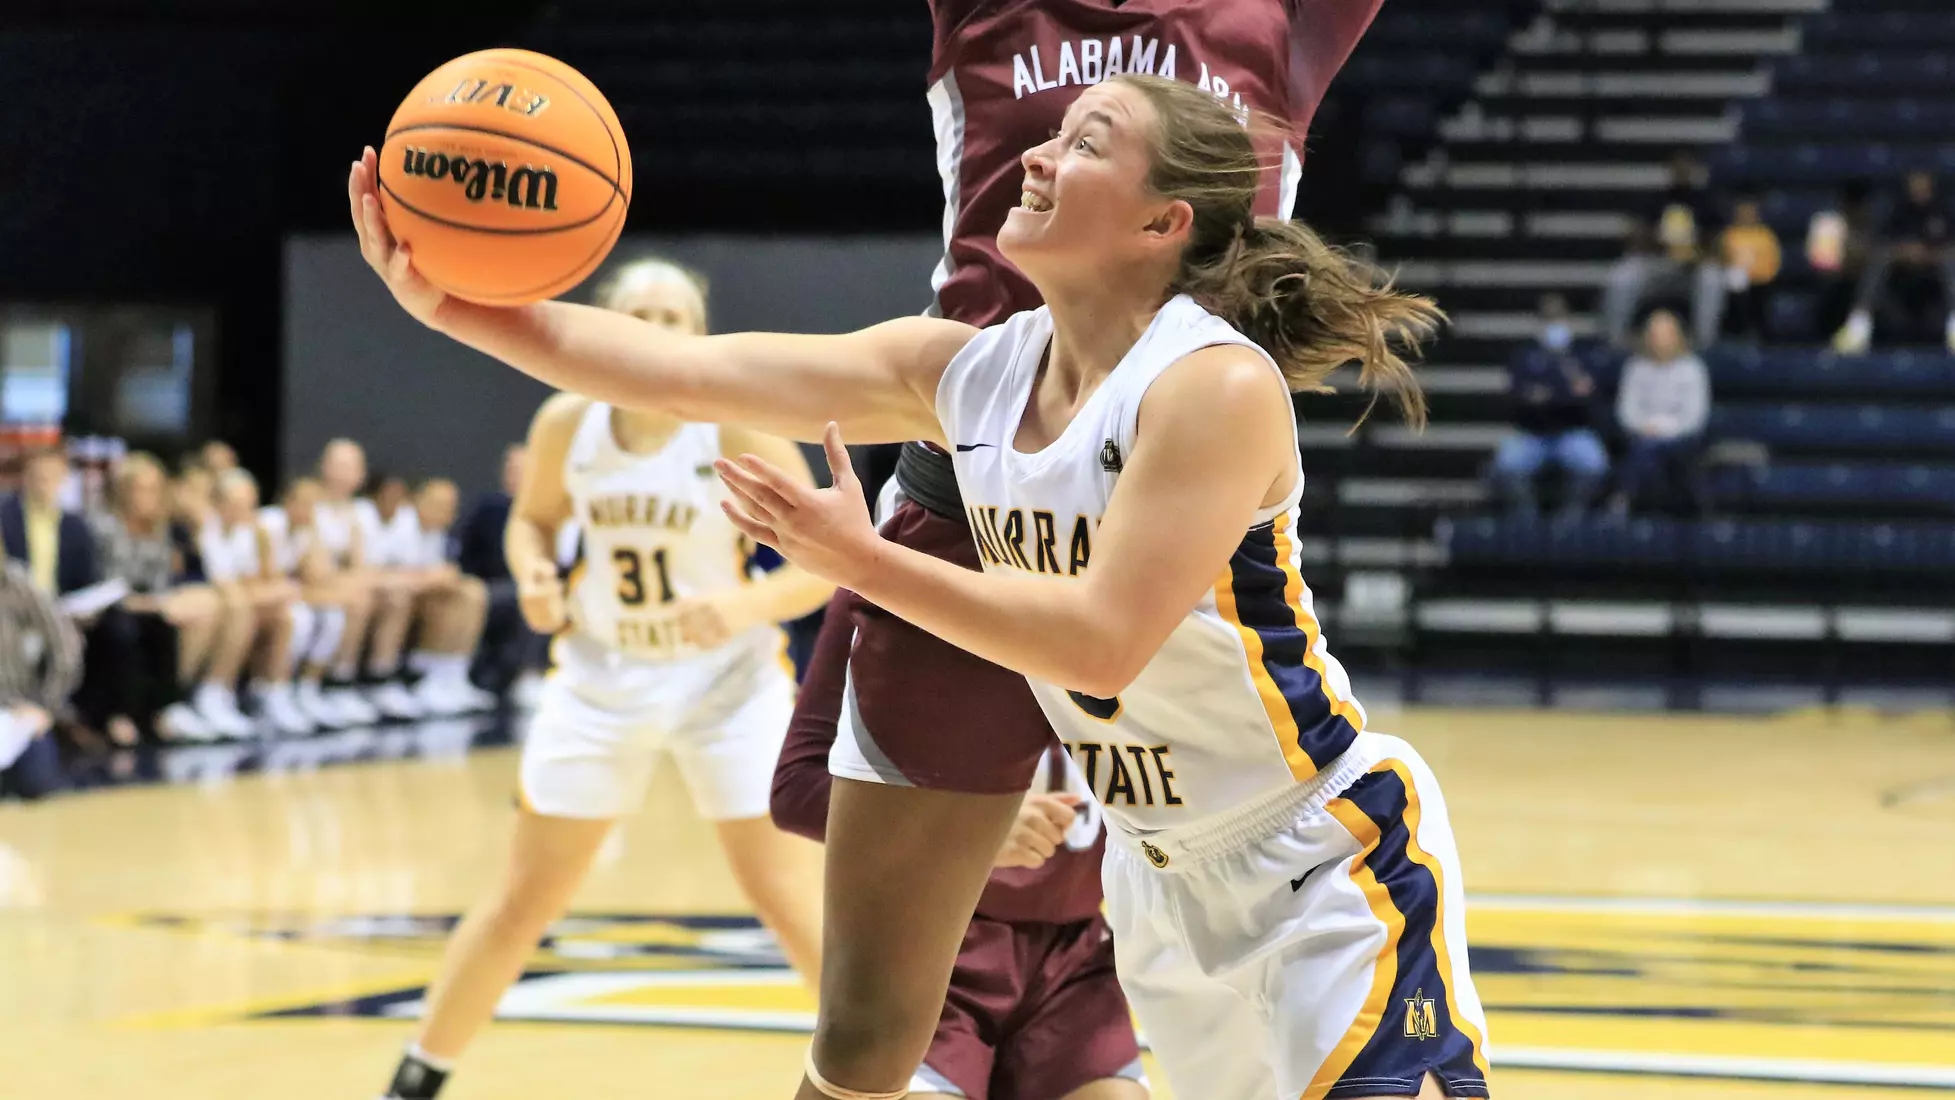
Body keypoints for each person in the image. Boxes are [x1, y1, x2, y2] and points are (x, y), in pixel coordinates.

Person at [350, 70, 1488, 1100]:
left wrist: (861, 560)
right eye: (1048, 134)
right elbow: (685, 369)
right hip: (1156, 879)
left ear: (1160, 223)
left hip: (1315, 854)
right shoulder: (965, 369)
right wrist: (449, 306)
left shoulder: (1209, 384)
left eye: (1085, 144)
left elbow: (1100, 643)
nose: (1037, 153)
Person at [373, 257, 833, 1100]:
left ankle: (899, 1076)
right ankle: (416, 1076)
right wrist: (538, 576)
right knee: (526, 894)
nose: (657, 334)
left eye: (673, 320)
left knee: (785, 897)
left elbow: (826, 567)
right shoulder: (565, 422)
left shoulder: (733, 422)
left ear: (699, 337)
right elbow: (534, 525)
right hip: (599, 676)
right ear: (605, 325)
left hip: (725, 683)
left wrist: (740, 605)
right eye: (640, 317)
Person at [90, 452, 259, 743]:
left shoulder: (165, 530)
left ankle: (196, 698)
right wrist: (157, 602)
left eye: (155, 488)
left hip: (155, 603)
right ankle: (151, 708)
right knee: (156, 621)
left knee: (212, 607)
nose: (149, 496)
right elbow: (106, 584)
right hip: (115, 608)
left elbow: (173, 578)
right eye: (141, 488)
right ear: (123, 490)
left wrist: (164, 600)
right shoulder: (103, 528)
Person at [358, 474, 493, 714]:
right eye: (438, 504)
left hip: (415, 595)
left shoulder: (437, 534)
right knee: (402, 598)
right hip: (385, 596)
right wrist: (428, 578)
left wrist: (434, 578)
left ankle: (449, 677)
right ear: (417, 500)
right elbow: (377, 574)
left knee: (472, 591)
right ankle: (388, 679)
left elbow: (442, 573)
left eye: (451, 506)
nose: (446, 512)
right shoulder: (400, 524)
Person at [197, 470, 317, 736]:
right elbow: (227, 586)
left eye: (250, 504)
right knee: (241, 610)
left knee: (286, 617)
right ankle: (213, 693)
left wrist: (274, 590)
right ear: (219, 504)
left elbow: (257, 582)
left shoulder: (247, 531)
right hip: (208, 600)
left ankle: (272, 691)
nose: (247, 512)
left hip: (237, 600)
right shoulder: (207, 530)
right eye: (238, 505)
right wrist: (277, 590)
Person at [315, 438, 421, 718]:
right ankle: (336, 682)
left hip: (351, 583)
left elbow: (365, 566)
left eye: (352, 466)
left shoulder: (362, 512)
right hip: (314, 588)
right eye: (340, 465)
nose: (346, 474)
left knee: (396, 596)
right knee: (358, 598)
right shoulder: (312, 507)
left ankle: (381, 678)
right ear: (324, 468)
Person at [1489, 294, 1608, 521]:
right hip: (1532, 433)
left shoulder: (1582, 354)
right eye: (1548, 318)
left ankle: (1570, 521)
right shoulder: (1524, 356)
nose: (1554, 324)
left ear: (1568, 319)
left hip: (1572, 431)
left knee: (1595, 464)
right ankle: (1527, 520)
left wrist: (1550, 394)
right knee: (1504, 466)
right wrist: (1565, 394)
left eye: (1558, 317)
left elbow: (1588, 397)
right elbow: (1519, 396)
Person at [1602, 151, 1724, 348]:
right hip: (1658, 264)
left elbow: (1718, 241)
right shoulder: (1657, 199)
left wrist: (1698, 254)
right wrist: (1653, 240)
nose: (1682, 172)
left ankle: (1705, 344)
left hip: (1693, 269)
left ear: (1694, 171)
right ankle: (1614, 344)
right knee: (1621, 277)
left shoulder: (1706, 202)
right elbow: (1635, 235)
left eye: (1686, 168)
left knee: (1712, 278)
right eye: (1677, 168)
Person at [454, 444, 542, 698]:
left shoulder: (541, 512)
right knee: (520, 596)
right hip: (488, 587)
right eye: (511, 468)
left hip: (527, 585)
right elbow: (464, 555)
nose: (516, 474)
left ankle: (531, 673)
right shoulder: (487, 508)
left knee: (537, 596)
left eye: (522, 469)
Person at [1835, 170, 1955, 352]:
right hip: (1899, 287)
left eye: (1923, 184)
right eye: (1915, 183)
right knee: (1880, 259)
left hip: (1935, 288)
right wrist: (1904, 253)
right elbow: (1879, 246)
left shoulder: (1944, 213)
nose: (1919, 189)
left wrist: (1927, 255)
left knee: (1950, 261)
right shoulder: (1897, 213)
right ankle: (1859, 323)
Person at [1611, 310, 1711, 518]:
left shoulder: (1692, 368)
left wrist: (1666, 429)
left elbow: (1695, 416)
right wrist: (1644, 427)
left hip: (1681, 438)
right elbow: (1626, 411)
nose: (1660, 340)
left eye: (1665, 334)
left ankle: (1631, 500)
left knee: (1652, 453)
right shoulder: (1635, 367)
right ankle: (1640, 508)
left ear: (1677, 336)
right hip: (1643, 435)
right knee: (1644, 450)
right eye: (1655, 334)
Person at [0, 558, 81, 800]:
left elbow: (66, 650)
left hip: (17, 712)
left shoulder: (19, 586)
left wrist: (45, 706)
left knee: (38, 781)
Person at [1714, 192, 1780, 342]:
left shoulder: (1766, 235)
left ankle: (1756, 334)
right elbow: (1721, 258)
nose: (1746, 215)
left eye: (1750, 211)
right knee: (1735, 286)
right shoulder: (1729, 234)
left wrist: (1757, 275)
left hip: (1760, 281)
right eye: (1743, 212)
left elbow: (1773, 263)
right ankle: (1732, 332)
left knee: (1757, 294)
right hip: (1733, 281)